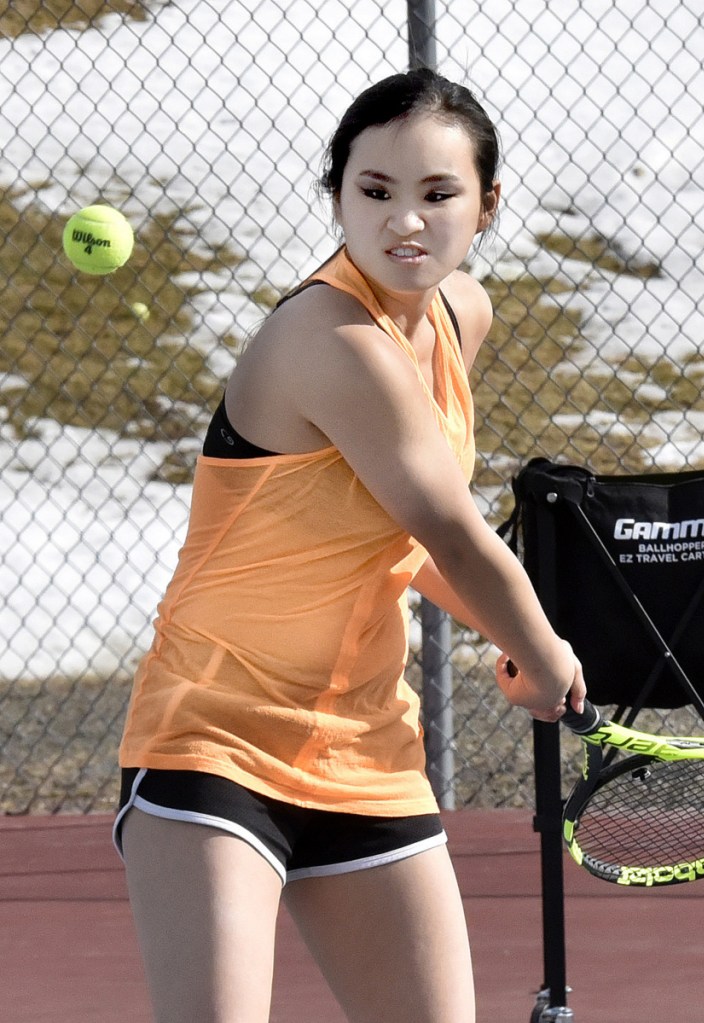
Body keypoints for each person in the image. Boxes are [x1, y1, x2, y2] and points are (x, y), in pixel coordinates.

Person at [115, 67, 586, 1023]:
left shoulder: (461, 317)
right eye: (374, 192)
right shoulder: (329, 338)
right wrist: (542, 653)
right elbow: (450, 528)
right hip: (215, 734)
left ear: (487, 207)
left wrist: (523, 638)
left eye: (437, 194)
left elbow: (395, 534)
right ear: (336, 194)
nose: (405, 221)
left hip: (364, 746)